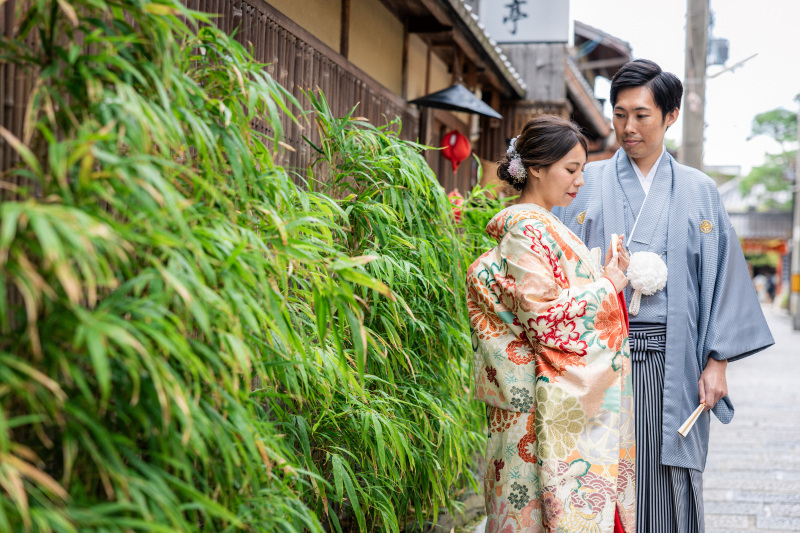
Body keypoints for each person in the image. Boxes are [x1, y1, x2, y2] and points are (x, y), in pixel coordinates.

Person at [553, 59, 774, 533]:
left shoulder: (699, 191)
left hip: (675, 358)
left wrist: (718, 362)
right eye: (619, 115)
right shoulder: (584, 182)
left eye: (641, 115)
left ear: (671, 115)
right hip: (596, 359)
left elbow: (723, 278)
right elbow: (554, 267)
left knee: (668, 473)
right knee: (595, 472)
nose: (628, 127)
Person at [468, 115, 634, 532]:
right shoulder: (527, 228)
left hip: (537, 400)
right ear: (537, 168)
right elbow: (543, 318)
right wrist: (607, 288)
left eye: (581, 170)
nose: (579, 181)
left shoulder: (542, 226)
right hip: (535, 407)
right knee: (532, 516)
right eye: (571, 169)